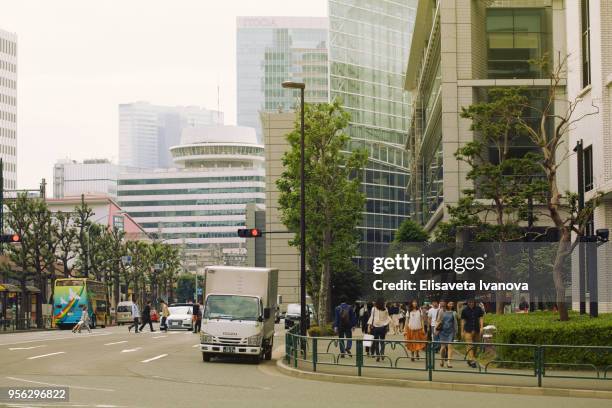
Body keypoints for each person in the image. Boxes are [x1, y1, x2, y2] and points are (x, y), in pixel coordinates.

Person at [461, 298, 484, 368]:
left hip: (476, 329)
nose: (471, 303)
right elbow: (462, 321)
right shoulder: (464, 310)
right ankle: (473, 360)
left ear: (474, 302)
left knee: (475, 346)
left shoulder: (478, 309)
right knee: (469, 345)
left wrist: (481, 327)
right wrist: (462, 331)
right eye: (469, 302)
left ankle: (470, 358)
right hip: (468, 329)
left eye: (472, 302)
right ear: (467, 302)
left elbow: (481, 318)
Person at [436, 301, 458, 368]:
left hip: (450, 331)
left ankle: (449, 362)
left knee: (450, 346)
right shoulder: (441, 311)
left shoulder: (454, 313)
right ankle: (442, 360)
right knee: (443, 347)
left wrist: (456, 331)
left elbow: (455, 323)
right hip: (442, 331)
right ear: (447, 304)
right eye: (450, 303)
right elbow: (438, 320)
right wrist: (436, 329)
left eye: (452, 304)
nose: (451, 305)